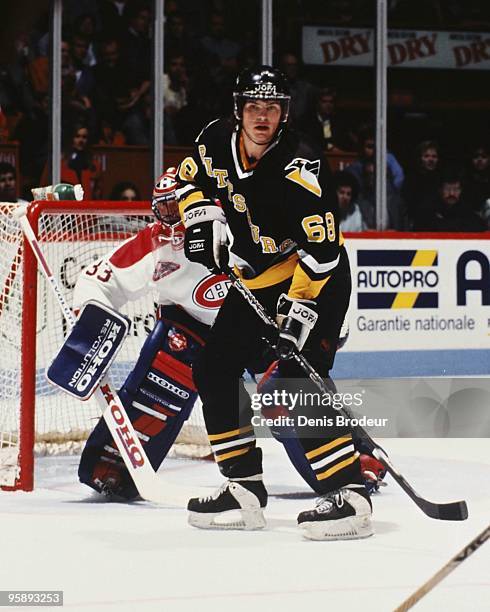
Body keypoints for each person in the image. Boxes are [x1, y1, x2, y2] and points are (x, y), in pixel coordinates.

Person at [176, 66, 374, 540]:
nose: (262, 117)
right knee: (214, 367)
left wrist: (297, 314)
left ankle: (351, 495)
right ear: (238, 109)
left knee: (290, 382)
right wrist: (200, 218)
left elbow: (323, 253)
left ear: (284, 113)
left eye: (272, 108)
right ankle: (243, 487)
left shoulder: (299, 166)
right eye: (253, 107)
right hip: (257, 279)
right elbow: (187, 180)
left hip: (316, 281)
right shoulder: (214, 139)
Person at [74, 168, 232, 500]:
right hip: (190, 326)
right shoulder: (154, 241)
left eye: (178, 207)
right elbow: (98, 279)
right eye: (165, 208)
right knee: (159, 385)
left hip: (249, 324)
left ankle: (347, 457)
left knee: (286, 390)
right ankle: (114, 467)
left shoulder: (233, 222)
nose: (172, 217)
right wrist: (89, 319)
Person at [413, 169, 486, 232]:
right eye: (447, 189)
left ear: (461, 191)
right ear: (440, 190)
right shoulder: (427, 211)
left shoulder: (467, 211)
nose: (451, 193)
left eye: (456, 189)